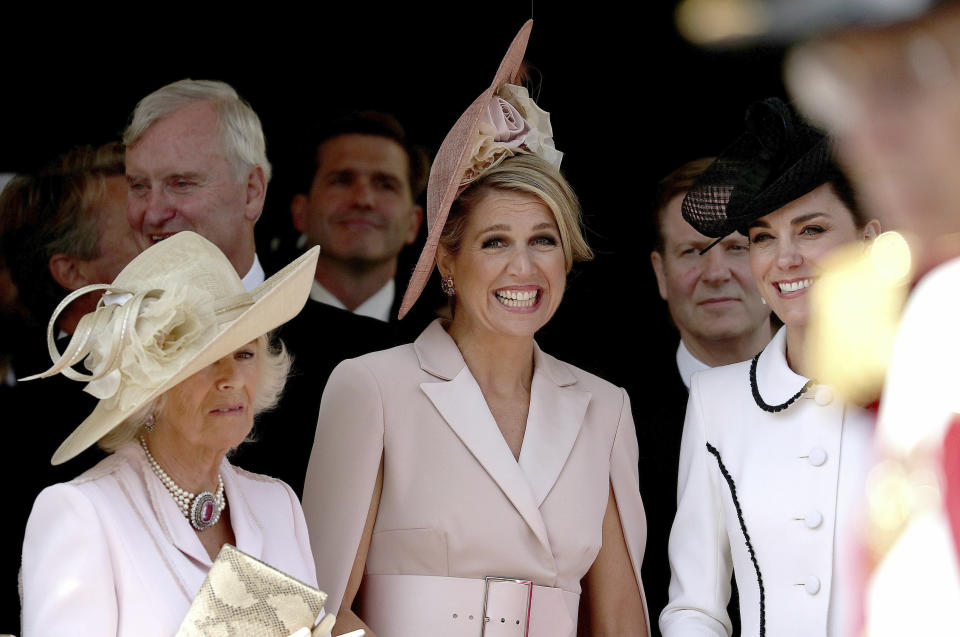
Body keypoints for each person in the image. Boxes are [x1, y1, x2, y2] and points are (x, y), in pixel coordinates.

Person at [302, 21, 649, 637]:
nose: (525, 267)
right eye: (496, 242)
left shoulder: (605, 407)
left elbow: (621, 620)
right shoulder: (371, 387)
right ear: (447, 261)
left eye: (544, 240)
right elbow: (317, 609)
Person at [19, 232, 328, 637]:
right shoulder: (84, 514)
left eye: (245, 353)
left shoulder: (277, 504)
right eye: (205, 361)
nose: (231, 378)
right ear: (151, 391)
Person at [660, 98, 880, 637]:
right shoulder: (716, 402)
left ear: (870, 239)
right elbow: (694, 607)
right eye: (762, 237)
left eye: (811, 231)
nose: (785, 259)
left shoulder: (929, 385)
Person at [0, 143, 141, 627]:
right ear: (72, 273)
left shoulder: (216, 372)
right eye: (139, 231)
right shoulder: (21, 429)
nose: (167, 240)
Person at [642, 157, 772, 635]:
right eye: (693, 251)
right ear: (660, 272)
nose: (716, 272)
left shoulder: (835, 395)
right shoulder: (612, 416)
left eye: (736, 247)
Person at [123, 79, 270, 291]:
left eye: (181, 184)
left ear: (251, 193)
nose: (153, 214)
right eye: (139, 186)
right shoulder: (108, 323)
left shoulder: (329, 326)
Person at [291, 111, 427, 323]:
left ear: (413, 223)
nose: (363, 199)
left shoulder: (446, 339)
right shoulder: (250, 329)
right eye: (342, 180)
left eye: (385, 185)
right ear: (301, 212)